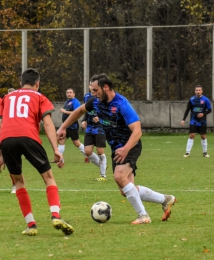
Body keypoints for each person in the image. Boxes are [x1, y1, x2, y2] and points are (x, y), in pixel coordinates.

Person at [57, 73, 176, 224]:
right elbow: (79, 111)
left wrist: (126, 148)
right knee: (126, 190)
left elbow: (137, 131)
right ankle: (165, 199)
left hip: (130, 145)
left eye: (95, 90)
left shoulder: (121, 104)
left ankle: (143, 216)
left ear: (105, 87)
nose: (92, 94)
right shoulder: (95, 102)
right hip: (116, 148)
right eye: (91, 90)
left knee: (119, 177)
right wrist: (62, 127)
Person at [0, 68, 74, 236]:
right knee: (49, 177)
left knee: (18, 181)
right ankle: (55, 215)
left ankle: (31, 225)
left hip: (6, 139)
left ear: (20, 84)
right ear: (37, 84)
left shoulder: (6, 98)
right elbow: (48, 124)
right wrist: (56, 150)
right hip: (29, 137)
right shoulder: (40, 97)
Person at [81, 82, 107, 181]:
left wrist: (100, 118)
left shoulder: (103, 97)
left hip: (100, 127)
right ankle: (103, 166)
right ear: (89, 86)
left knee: (100, 151)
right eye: (90, 84)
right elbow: (86, 110)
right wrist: (84, 120)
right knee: (87, 151)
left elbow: (108, 111)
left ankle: (103, 175)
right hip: (89, 128)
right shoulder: (87, 96)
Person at [58, 88, 90, 161]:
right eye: (67, 92)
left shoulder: (75, 102)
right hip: (66, 126)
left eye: (70, 92)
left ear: (74, 94)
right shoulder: (67, 102)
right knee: (61, 140)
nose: (69, 94)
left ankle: (89, 155)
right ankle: (60, 158)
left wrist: (65, 111)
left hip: (72, 126)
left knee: (76, 143)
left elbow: (76, 113)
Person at [181, 85, 212, 158]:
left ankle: (205, 152)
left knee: (203, 136)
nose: (198, 92)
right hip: (193, 121)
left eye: (199, 90)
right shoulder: (192, 99)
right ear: (195, 91)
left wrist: (203, 114)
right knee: (192, 135)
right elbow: (187, 109)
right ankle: (187, 153)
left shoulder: (206, 99)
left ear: (202, 91)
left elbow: (209, 110)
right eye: (197, 90)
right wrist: (183, 119)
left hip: (202, 121)